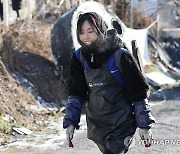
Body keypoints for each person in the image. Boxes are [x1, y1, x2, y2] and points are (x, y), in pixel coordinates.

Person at [63, 12, 155, 154]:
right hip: (97, 125)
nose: (86, 37)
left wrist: (144, 125)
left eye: (90, 31)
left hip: (121, 124)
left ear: (100, 29)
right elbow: (76, 93)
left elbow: (138, 93)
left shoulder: (120, 55)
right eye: (81, 32)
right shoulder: (79, 58)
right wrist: (70, 122)